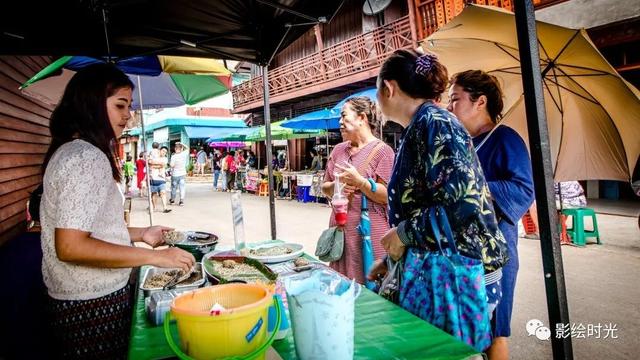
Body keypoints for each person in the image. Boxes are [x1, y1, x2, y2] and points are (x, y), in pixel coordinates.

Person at [38, 63, 195, 358]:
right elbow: (70, 246)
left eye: (129, 106)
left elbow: (87, 227)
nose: (128, 115)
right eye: (120, 105)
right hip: (91, 303)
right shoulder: (85, 156)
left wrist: (140, 233)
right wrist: (156, 258)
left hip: (77, 299)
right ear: (92, 104)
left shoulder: (72, 150)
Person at [368, 50, 508, 350]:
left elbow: (463, 202)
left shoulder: (436, 123)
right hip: (440, 265)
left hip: (461, 269)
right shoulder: (420, 125)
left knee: (450, 353)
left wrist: (404, 234)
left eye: (377, 89)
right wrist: (397, 258)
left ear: (389, 88)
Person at [448, 70, 535, 359]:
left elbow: (523, 189)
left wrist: (472, 186)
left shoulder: (505, 138)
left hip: (496, 253)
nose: (450, 107)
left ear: (480, 101)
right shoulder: (465, 143)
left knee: (494, 333)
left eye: (456, 99)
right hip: (463, 251)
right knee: (467, 330)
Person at [321, 96, 394, 284]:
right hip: (341, 236)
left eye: (344, 116)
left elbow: (387, 196)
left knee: (371, 293)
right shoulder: (338, 150)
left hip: (369, 236)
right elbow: (325, 186)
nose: (340, 122)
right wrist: (338, 186)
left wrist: (361, 182)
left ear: (362, 118)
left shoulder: (383, 151)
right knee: (342, 287)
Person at [149, 147, 171, 213]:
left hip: (162, 179)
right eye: (163, 151)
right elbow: (150, 163)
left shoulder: (165, 158)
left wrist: (153, 165)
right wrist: (158, 164)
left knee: (163, 192)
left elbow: (163, 164)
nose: (164, 153)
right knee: (154, 194)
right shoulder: (154, 156)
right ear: (160, 151)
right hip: (153, 178)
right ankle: (153, 207)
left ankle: (165, 208)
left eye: (165, 152)